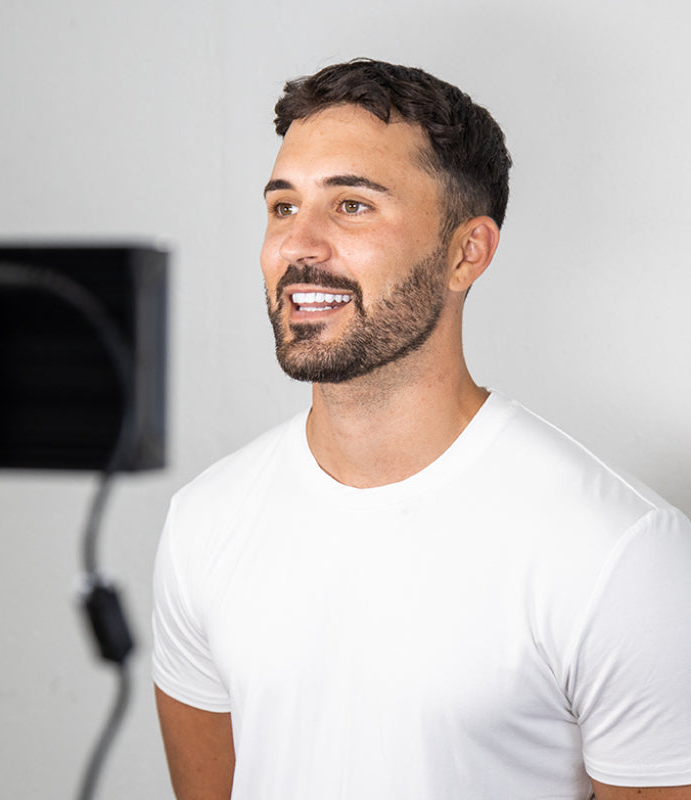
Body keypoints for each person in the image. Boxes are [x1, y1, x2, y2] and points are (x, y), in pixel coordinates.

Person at [151, 59, 691, 800]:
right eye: (283, 207)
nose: (298, 244)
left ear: (467, 253)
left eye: (351, 206)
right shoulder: (204, 523)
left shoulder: (620, 554)